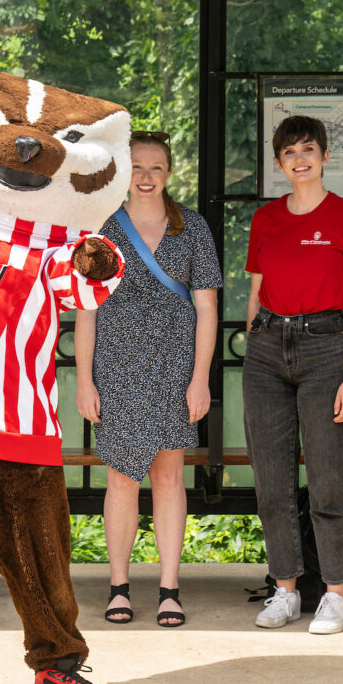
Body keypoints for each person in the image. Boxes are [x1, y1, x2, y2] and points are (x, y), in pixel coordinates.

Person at [75, 130, 220, 628]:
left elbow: (207, 307)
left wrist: (200, 378)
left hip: (177, 367)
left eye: (156, 167)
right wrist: (85, 381)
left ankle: (169, 589)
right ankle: (118, 586)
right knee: (120, 476)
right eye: (137, 167)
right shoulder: (102, 228)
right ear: (122, 172)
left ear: (169, 174)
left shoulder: (193, 229)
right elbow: (88, 309)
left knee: (168, 476)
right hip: (116, 366)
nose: (146, 176)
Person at [243, 115, 343, 635]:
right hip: (267, 349)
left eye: (308, 149)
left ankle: (337, 594)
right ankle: (286, 589)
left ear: (323, 157)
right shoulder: (266, 219)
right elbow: (255, 288)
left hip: (325, 348)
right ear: (279, 164)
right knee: (271, 479)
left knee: (325, 479)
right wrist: (257, 334)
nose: (300, 159)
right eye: (289, 152)